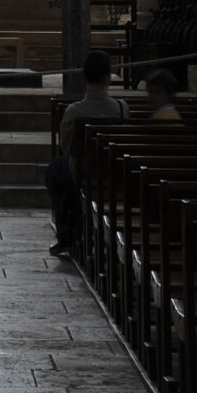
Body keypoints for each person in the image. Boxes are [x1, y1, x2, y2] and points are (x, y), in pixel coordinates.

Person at [44, 50, 128, 257]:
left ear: (85, 77)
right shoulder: (122, 108)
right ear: (108, 78)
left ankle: (67, 233)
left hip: (81, 174)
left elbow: (67, 146)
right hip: (114, 173)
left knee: (55, 171)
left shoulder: (74, 111)